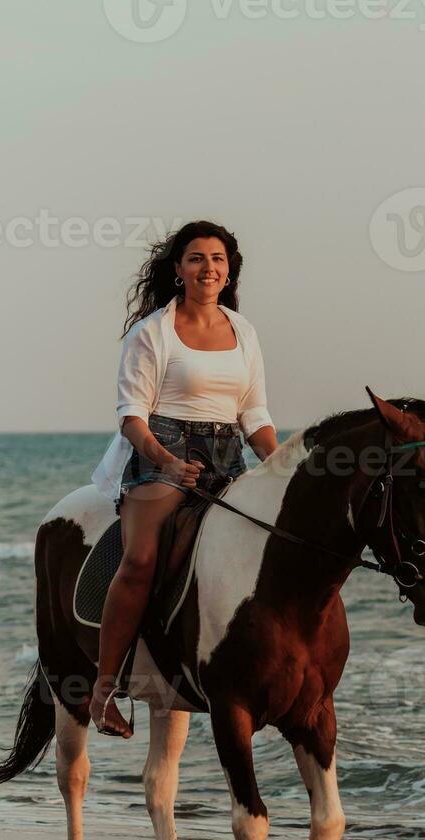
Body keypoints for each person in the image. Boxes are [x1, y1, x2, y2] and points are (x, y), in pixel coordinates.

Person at [87, 221, 279, 737]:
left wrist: (282, 467)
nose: (208, 268)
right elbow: (132, 416)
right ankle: (103, 691)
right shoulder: (151, 332)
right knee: (142, 558)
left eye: (217, 259)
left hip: (226, 454)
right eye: (196, 258)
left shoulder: (245, 332)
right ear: (178, 270)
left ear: (228, 269)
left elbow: (254, 415)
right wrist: (166, 461)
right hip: (160, 452)